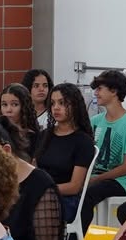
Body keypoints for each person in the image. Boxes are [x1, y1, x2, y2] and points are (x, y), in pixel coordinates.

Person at [78, 70, 126, 232]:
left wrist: (96, 178)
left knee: (87, 195)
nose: (96, 93)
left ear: (114, 91)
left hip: (118, 181)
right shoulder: (95, 121)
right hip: (95, 176)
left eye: (100, 88)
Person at [37, 81, 95, 225]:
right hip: (41, 194)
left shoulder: (83, 141)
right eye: (52, 103)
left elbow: (74, 186)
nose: (56, 108)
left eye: (62, 103)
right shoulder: (45, 135)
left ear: (75, 105)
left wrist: (42, 190)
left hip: (65, 199)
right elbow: (35, 168)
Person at [0, 83, 38, 158]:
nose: (8, 110)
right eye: (4, 105)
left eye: (14, 104)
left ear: (24, 107)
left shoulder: (33, 136)